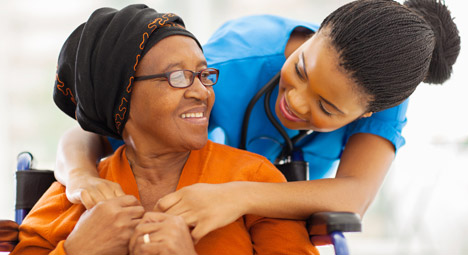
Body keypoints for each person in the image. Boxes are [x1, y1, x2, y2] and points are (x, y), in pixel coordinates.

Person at [55, 0, 461, 242]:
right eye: (300, 69)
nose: (296, 102)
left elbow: (354, 195)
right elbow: (89, 129)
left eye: (328, 108)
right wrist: (81, 178)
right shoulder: (233, 63)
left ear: (366, 112)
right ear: (317, 33)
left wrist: (237, 195)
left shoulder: (381, 95)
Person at [11, 5, 319, 255]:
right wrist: (77, 250)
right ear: (122, 95)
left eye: (203, 74)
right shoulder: (75, 195)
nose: (202, 91)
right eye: (178, 76)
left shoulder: (253, 180)